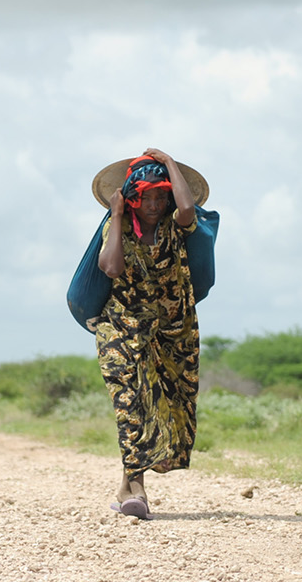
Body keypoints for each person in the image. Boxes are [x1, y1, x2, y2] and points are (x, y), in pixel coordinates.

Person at [94, 148, 201, 520]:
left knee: (169, 404)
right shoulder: (116, 226)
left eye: (161, 195)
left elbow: (188, 211)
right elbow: (111, 267)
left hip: (172, 330)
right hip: (122, 328)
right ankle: (137, 486)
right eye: (146, 196)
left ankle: (126, 485)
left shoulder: (175, 223)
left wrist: (172, 164)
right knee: (131, 402)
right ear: (132, 197)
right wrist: (119, 214)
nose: (154, 203)